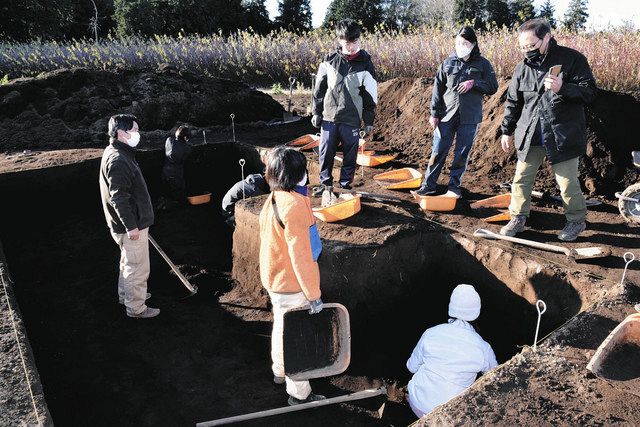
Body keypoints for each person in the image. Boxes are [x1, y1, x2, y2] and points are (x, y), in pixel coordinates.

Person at [500, 18, 597, 241]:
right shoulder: (522, 68)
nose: (527, 51)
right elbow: (513, 102)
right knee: (522, 178)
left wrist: (563, 87)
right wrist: (507, 130)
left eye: (531, 46)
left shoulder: (572, 59)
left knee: (567, 181)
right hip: (530, 131)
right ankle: (518, 217)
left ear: (546, 38)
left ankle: (576, 221)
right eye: (523, 47)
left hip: (562, 133)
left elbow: (590, 92)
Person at [259, 146, 325, 406]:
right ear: (295, 174)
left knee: (282, 327)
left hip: (276, 277)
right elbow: (301, 256)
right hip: (291, 283)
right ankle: (300, 394)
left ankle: (279, 370)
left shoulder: (275, 197)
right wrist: (313, 294)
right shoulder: (294, 205)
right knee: (296, 338)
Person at [414, 26, 498, 198]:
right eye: (459, 42)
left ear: (473, 44)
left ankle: (454, 188)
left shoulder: (483, 64)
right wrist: (434, 114)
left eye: (465, 43)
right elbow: (437, 90)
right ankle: (428, 185)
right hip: (446, 115)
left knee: (461, 154)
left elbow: (492, 87)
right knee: (437, 151)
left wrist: (474, 83)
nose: (461, 46)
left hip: (469, 117)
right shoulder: (447, 63)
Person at [311, 18, 378, 207]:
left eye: (355, 41)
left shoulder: (365, 63)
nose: (352, 46)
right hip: (329, 116)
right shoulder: (328, 60)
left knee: (350, 155)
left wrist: (368, 119)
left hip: (352, 118)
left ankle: (345, 187)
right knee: (326, 153)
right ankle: (326, 186)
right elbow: (319, 88)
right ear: (340, 41)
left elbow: (370, 94)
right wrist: (316, 111)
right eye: (348, 42)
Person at [99, 114, 160, 318]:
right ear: (121, 133)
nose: (137, 134)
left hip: (125, 223)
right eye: (134, 130)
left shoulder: (116, 151)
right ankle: (136, 307)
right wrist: (131, 227)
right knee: (138, 267)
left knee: (128, 262)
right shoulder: (118, 159)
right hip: (131, 226)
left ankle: (126, 295)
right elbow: (119, 199)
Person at [406, 284, 497, 418]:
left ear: (451, 307)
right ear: (477, 313)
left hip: (417, 404)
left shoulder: (431, 333)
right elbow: (494, 378)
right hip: (449, 415)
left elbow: (411, 367)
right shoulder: (483, 348)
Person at [161, 125, 192, 206]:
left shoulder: (169, 140)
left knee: (167, 190)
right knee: (179, 192)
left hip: (166, 170)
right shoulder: (187, 148)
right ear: (186, 137)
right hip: (177, 172)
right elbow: (185, 158)